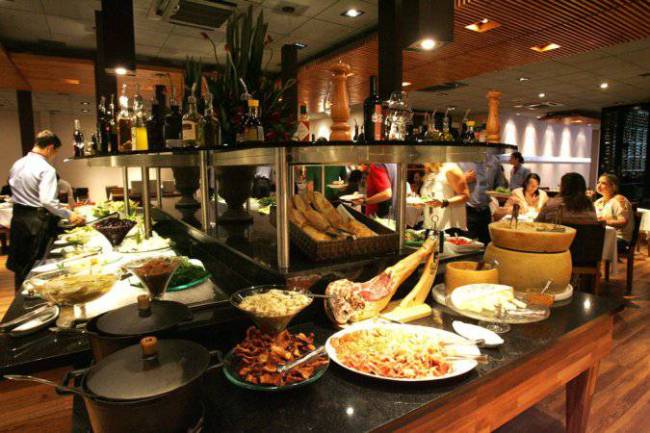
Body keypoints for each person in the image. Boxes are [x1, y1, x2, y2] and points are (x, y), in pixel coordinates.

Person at [7, 130, 85, 288]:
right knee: (36, 265)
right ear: (50, 148)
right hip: (36, 222)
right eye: (56, 152)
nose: (54, 155)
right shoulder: (46, 169)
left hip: (18, 218)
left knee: (20, 265)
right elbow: (47, 201)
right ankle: (35, 297)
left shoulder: (17, 164)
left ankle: (20, 298)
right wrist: (69, 214)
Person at [460, 153, 507, 245]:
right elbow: (445, 182)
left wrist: (502, 193)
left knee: (486, 245)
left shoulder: (493, 160)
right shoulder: (459, 158)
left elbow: (500, 184)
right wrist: (463, 179)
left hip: (485, 211)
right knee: (466, 246)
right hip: (466, 210)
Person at [420, 162, 468, 233]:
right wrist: (421, 202)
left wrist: (444, 202)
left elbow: (465, 196)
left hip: (448, 226)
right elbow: (429, 197)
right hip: (431, 225)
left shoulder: (450, 168)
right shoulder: (430, 172)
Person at [594, 173, 634, 248]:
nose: (599, 185)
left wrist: (604, 221)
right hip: (603, 235)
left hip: (619, 238)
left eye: (603, 183)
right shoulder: (598, 202)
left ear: (613, 186)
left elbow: (623, 221)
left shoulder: (619, 200)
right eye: (598, 182)